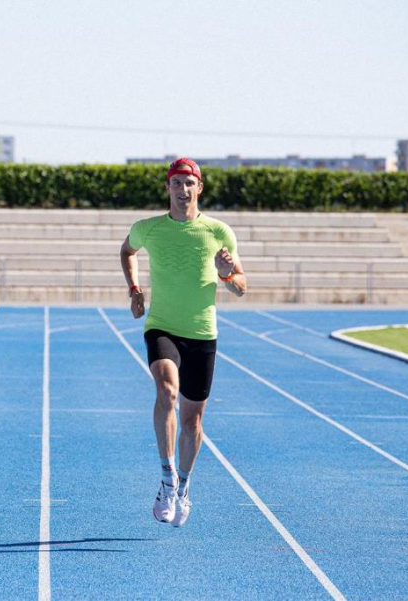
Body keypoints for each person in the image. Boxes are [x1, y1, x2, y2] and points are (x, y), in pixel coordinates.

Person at [119, 157, 247, 527]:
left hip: (202, 334)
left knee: (192, 421)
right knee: (167, 391)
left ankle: (184, 486)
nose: (182, 189)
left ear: (199, 188)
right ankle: (166, 479)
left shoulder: (219, 232)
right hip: (162, 326)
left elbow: (242, 286)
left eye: (189, 183)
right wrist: (134, 289)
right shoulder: (149, 228)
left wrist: (227, 275)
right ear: (168, 188)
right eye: (176, 183)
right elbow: (127, 251)